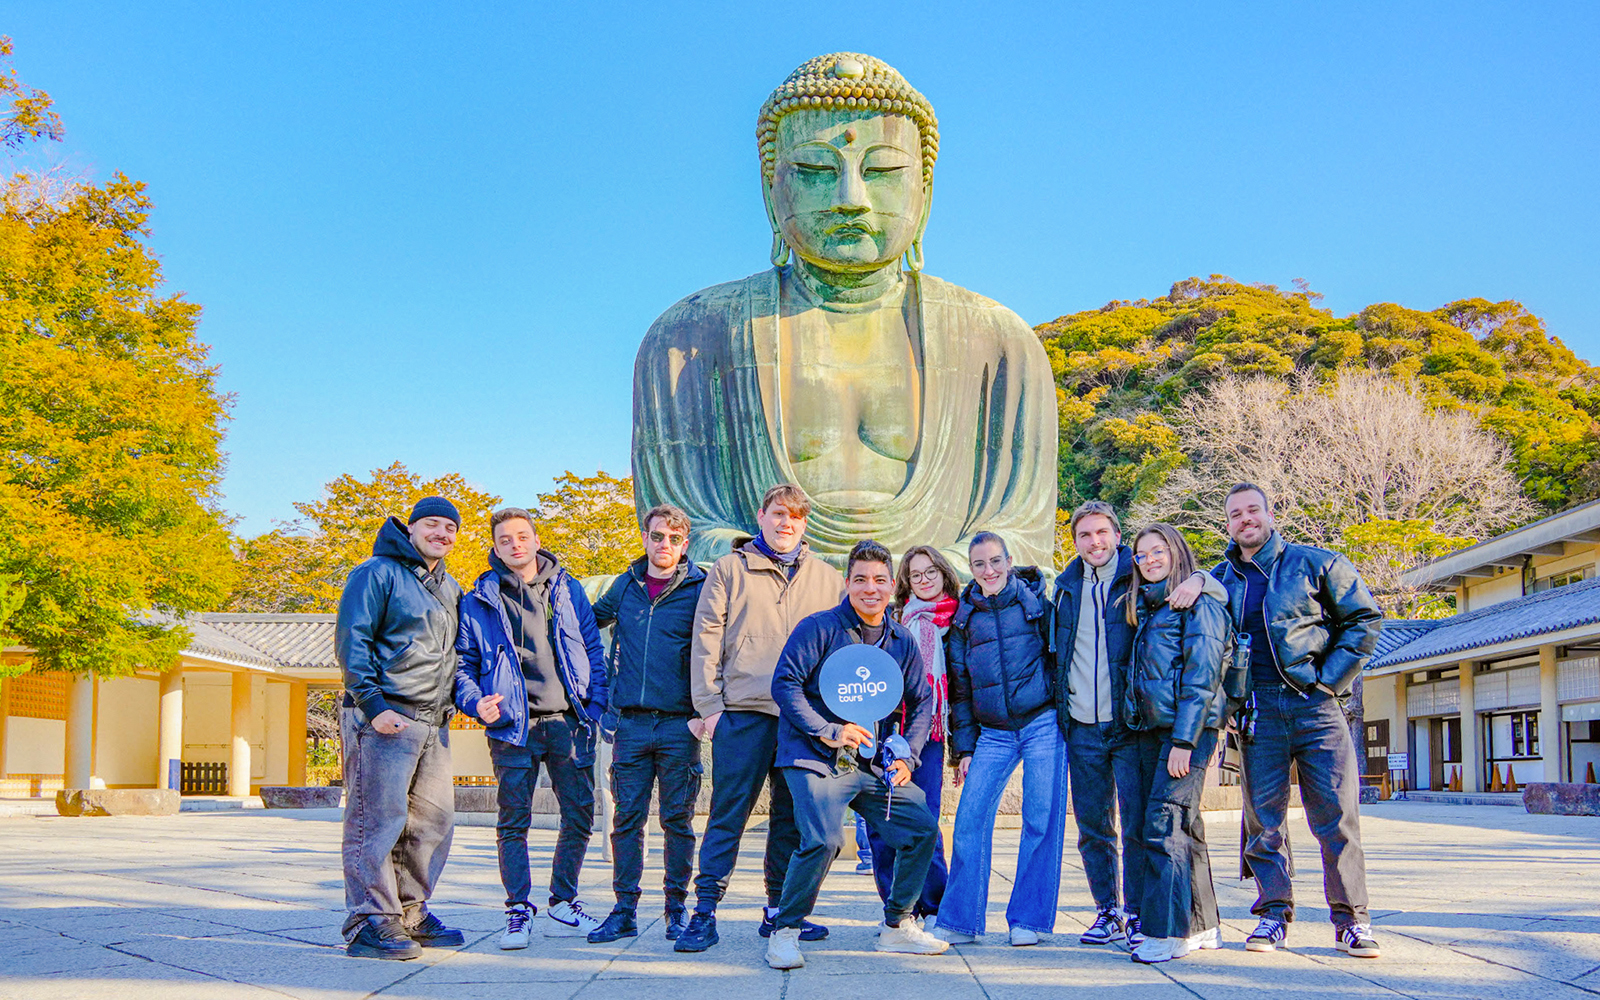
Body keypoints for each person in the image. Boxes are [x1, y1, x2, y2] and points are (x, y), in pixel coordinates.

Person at [632, 52, 1058, 574]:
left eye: (881, 171)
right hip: (771, 600)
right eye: (814, 170)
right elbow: (679, 529)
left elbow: (1024, 536)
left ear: (924, 195)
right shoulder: (690, 337)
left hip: (934, 606)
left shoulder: (1000, 343)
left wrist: (914, 580)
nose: (850, 198)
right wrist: (783, 570)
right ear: (771, 191)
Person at [1210, 483, 1383, 958]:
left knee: (1336, 818)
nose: (1245, 520)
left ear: (1270, 513)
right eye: (1235, 514)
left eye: (1252, 511)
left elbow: (1364, 620)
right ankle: (1272, 915)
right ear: (1227, 524)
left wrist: (1329, 681)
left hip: (1315, 704)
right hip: (1256, 711)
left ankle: (1352, 921)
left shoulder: (1317, 563)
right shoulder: (1219, 578)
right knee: (1263, 821)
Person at [765, 539, 950, 969]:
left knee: (921, 827)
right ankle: (785, 930)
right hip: (814, 757)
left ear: (891, 586)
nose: (871, 589)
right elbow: (785, 685)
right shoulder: (820, 628)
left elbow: (923, 701)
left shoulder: (900, 639)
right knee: (824, 839)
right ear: (847, 583)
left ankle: (896, 926)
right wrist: (828, 731)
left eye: (880, 580)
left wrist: (909, 757)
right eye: (861, 579)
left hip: (868, 762)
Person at [676, 484, 846, 953]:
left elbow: (840, 648)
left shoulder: (828, 579)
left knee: (790, 822)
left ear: (804, 523)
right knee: (728, 816)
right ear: (761, 515)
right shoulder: (729, 570)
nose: (785, 523)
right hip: (744, 713)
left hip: (803, 721)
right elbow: (706, 638)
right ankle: (704, 912)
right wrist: (709, 707)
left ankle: (779, 912)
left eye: (794, 516)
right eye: (777, 514)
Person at [454, 507, 609, 947]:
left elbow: (592, 648)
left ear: (537, 540)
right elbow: (463, 665)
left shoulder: (567, 588)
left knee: (579, 813)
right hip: (511, 727)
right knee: (512, 820)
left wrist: (594, 705)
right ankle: (518, 909)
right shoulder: (478, 598)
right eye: (505, 539)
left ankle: (564, 899)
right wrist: (473, 702)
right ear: (496, 547)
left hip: (569, 721)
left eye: (523, 536)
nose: (515, 544)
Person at [335, 497, 469, 960]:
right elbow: (353, 637)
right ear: (410, 529)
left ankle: (409, 910)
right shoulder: (376, 572)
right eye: (432, 524)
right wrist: (372, 704)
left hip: (434, 722)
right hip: (387, 714)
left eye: (450, 528)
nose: (442, 534)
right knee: (376, 820)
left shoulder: (449, 587)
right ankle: (371, 919)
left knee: (432, 822)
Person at [938, 531, 1068, 947]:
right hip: (992, 732)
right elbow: (960, 689)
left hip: (1041, 722)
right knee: (970, 821)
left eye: (995, 561)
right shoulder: (963, 619)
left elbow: (1059, 660)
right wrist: (964, 749)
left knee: (1040, 819)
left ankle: (1028, 919)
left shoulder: (1035, 606)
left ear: (1008, 561)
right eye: (979, 564)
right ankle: (960, 920)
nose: (988, 570)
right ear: (970, 570)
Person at [586, 504, 708, 943]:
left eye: (674, 539)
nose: (665, 545)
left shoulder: (701, 587)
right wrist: (597, 697)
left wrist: (703, 713)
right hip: (630, 725)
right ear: (645, 537)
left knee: (678, 821)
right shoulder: (625, 585)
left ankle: (676, 909)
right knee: (627, 821)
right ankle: (624, 910)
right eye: (658, 536)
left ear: (684, 544)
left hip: (680, 725)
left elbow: (719, 646)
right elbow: (583, 625)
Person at [1121, 523, 1231, 964]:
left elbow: (1202, 677)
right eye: (1141, 554)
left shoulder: (1198, 604)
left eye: (1157, 551)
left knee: (1164, 826)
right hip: (1153, 731)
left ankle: (1168, 932)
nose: (1149, 560)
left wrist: (1185, 740)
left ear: (1176, 552)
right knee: (1187, 826)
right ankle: (1203, 924)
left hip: (1187, 733)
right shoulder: (1153, 607)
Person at [863, 544, 960, 924]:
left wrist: (961, 747)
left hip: (929, 734)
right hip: (887, 730)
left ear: (944, 573)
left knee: (924, 820)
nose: (924, 580)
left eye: (930, 572)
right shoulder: (893, 620)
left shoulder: (960, 619)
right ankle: (897, 907)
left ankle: (934, 905)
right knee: (882, 823)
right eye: (916, 574)